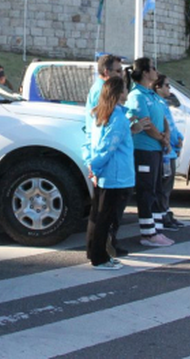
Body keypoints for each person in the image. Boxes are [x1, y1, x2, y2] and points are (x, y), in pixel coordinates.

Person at [85, 76, 135, 270]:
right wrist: (95, 167)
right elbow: (108, 147)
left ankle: (95, 252)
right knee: (106, 218)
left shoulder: (99, 114)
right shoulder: (119, 119)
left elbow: (92, 143)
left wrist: (92, 166)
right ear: (118, 93)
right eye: (124, 88)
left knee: (97, 216)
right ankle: (100, 258)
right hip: (115, 175)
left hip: (104, 173)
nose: (127, 91)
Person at [125, 57, 173, 247]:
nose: (156, 71)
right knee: (146, 191)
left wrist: (166, 136)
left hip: (157, 149)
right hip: (144, 150)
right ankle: (148, 233)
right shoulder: (137, 96)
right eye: (153, 68)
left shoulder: (152, 95)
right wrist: (162, 138)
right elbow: (145, 123)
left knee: (155, 190)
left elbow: (163, 119)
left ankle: (157, 229)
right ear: (145, 72)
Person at [153, 75, 185, 230]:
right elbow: (163, 128)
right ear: (157, 87)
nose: (169, 89)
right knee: (162, 187)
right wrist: (170, 142)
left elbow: (172, 126)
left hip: (170, 151)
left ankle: (166, 212)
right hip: (164, 151)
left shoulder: (163, 103)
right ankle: (162, 215)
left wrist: (179, 138)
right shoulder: (156, 103)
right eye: (166, 85)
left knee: (167, 187)